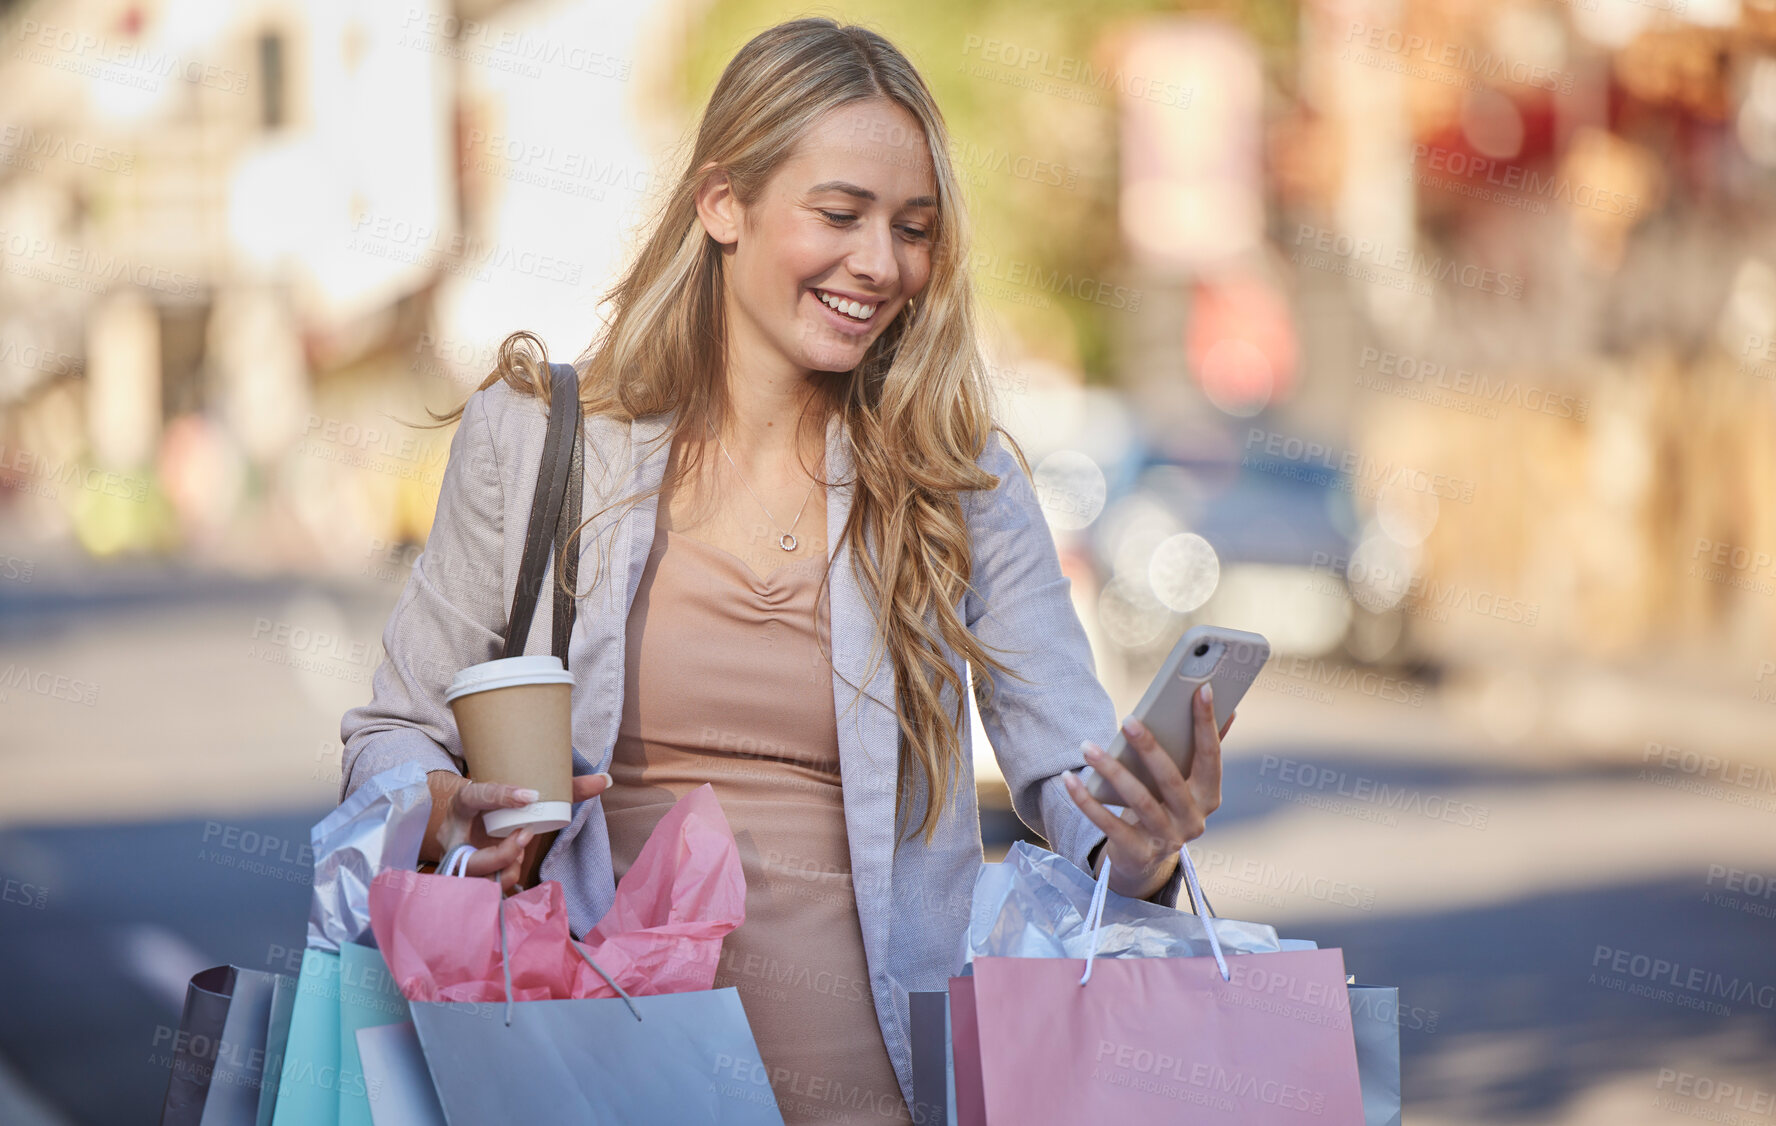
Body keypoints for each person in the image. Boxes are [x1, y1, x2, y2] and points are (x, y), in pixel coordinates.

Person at [339, 17, 1234, 1124]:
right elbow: (390, 733)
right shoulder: (539, 443)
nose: (881, 263)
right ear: (723, 202)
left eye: (912, 228)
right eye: (840, 213)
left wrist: (1138, 845)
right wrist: (443, 810)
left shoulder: (959, 480)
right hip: (589, 1082)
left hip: (874, 1096)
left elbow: (1071, 772)